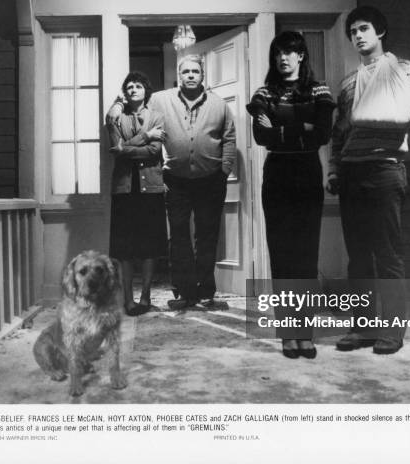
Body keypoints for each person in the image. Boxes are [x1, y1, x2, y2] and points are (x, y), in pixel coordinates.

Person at [107, 55, 236, 311]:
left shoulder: (219, 104)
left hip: (211, 179)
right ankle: (185, 293)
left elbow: (229, 138)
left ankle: (206, 293)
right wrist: (115, 107)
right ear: (179, 75)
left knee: (207, 237)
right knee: (178, 237)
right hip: (176, 181)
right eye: (185, 71)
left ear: (202, 75)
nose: (190, 75)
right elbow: (132, 96)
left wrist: (224, 169)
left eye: (195, 71)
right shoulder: (160, 100)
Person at [327, 6, 410, 354]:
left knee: (388, 255)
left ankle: (393, 331)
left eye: (364, 28)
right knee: (359, 257)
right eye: (352, 31)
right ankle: (362, 328)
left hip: (385, 169)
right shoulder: (349, 82)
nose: (358, 36)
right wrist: (334, 170)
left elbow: (400, 116)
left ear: (379, 31)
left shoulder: (403, 70)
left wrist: (365, 120)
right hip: (352, 170)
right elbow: (340, 133)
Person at [246, 31, 335, 359]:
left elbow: (323, 134)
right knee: (282, 255)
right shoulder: (264, 93)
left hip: (307, 173)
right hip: (278, 175)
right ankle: (288, 334)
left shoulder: (319, 90)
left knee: (305, 256)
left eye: (289, 52)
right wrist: (303, 129)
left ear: (301, 56)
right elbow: (260, 135)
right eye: (278, 53)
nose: (283, 58)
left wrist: (282, 131)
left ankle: (305, 333)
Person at [107, 71, 167, 316]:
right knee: (125, 249)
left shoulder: (157, 116)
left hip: (150, 188)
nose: (133, 90)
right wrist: (145, 136)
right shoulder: (115, 118)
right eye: (129, 86)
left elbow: (154, 152)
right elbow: (117, 151)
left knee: (149, 246)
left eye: (138, 86)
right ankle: (128, 300)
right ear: (125, 92)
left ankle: (146, 296)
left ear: (146, 91)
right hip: (124, 190)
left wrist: (128, 146)